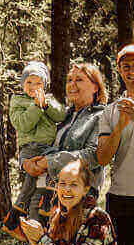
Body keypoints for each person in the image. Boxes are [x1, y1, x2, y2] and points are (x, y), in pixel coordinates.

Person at [17, 159, 124, 245]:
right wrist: (35, 243)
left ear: (85, 189)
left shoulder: (97, 218)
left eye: (74, 185)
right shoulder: (58, 215)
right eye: (62, 184)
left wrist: (42, 239)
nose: (67, 189)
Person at [19, 62, 107, 222]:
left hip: (76, 197)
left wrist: (49, 162)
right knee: (37, 236)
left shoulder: (101, 116)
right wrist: (25, 162)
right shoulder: (62, 115)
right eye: (69, 80)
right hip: (42, 193)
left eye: (79, 80)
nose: (72, 84)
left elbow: (94, 155)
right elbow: (34, 140)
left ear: (96, 87)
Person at [4, 61, 68, 230]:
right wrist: (37, 106)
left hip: (49, 147)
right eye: (29, 82)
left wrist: (45, 104)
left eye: (38, 83)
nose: (33, 87)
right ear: (22, 83)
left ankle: (33, 210)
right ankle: (20, 208)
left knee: (51, 173)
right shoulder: (18, 100)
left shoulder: (48, 100)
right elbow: (23, 124)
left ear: (44, 85)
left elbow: (61, 115)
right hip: (30, 147)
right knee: (32, 176)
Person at [97, 44, 134, 245]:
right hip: (121, 196)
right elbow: (102, 158)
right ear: (119, 70)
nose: (131, 71)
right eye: (126, 66)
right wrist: (120, 127)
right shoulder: (110, 112)